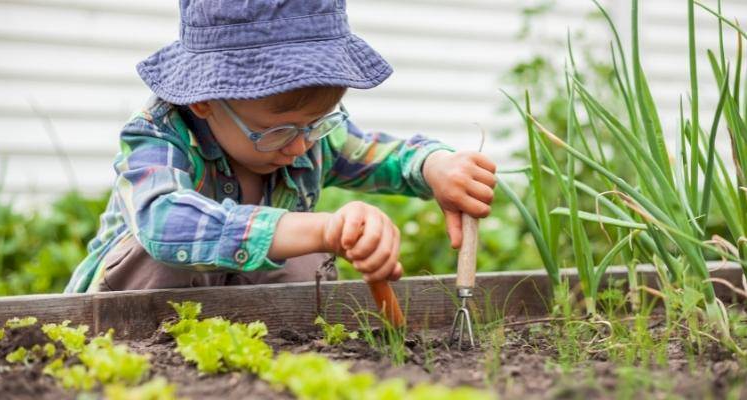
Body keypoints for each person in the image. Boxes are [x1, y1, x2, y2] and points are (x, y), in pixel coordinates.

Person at [64, 0, 496, 293]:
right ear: (205, 98)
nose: (302, 145)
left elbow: (382, 157)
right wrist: (321, 230)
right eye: (279, 131)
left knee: (305, 261)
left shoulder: (306, 134)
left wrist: (434, 166)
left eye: (316, 124)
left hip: (249, 333)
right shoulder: (160, 136)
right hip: (126, 322)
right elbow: (163, 222)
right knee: (163, 255)